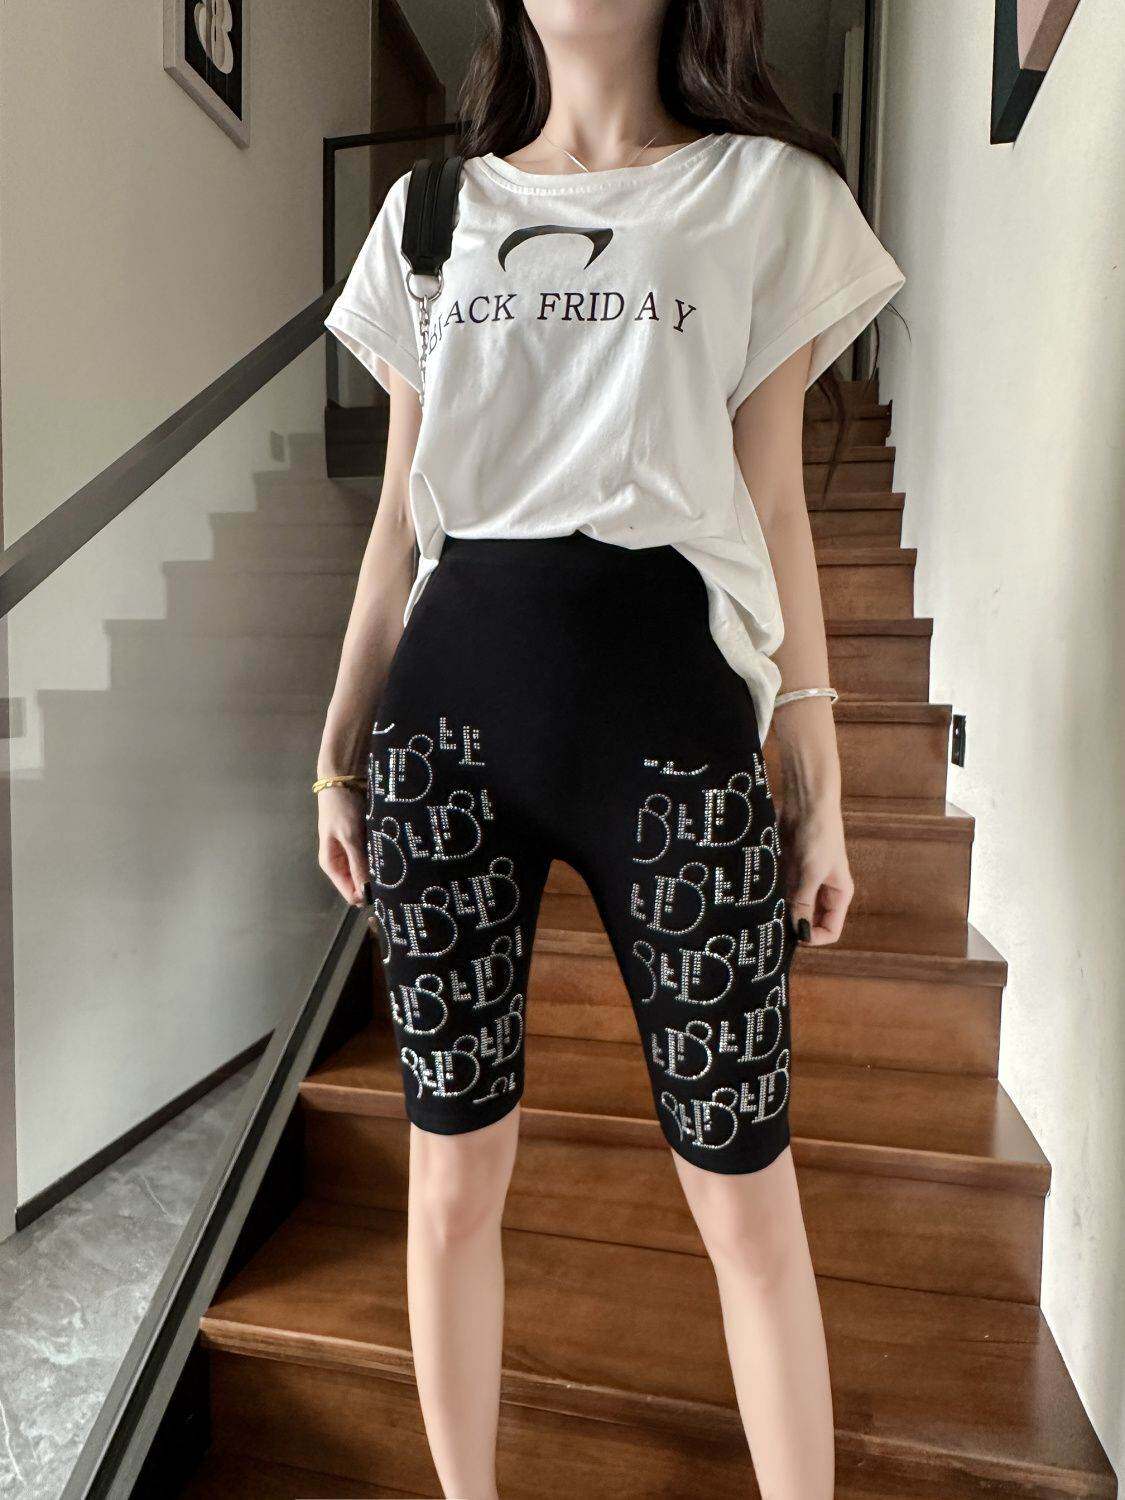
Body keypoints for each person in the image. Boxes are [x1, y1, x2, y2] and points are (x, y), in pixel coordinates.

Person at [316, 2, 904, 1495]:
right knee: (450, 1172)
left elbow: (776, 501)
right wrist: (336, 751)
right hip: (444, 724)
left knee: (743, 1184)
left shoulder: (765, 193)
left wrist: (820, 784)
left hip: (670, 719)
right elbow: (398, 523)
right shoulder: (430, 213)